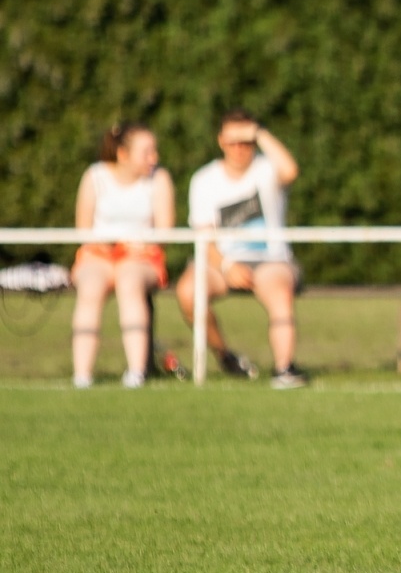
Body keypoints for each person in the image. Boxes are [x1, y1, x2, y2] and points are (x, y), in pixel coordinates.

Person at [177, 109, 309, 389]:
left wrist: (259, 132)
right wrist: (227, 266)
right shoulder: (204, 180)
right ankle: (224, 356)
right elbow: (205, 240)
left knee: (278, 290)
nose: (239, 149)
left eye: (246, 142)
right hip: (222, 262)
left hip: (270, 259)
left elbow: (291, 170)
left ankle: (284, 367)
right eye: (233, 141)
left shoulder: (267, 169)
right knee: (189, 292)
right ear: (220, 142)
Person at [70, 123, 175, 388]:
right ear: (122, 154)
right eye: (147, 151)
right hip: (98, 255)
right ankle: (82, 375)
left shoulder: (160, 179)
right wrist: (105, 246)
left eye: (154, 150)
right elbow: (84, 231)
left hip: (142, 257)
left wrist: (135, 247)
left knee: (129, 281)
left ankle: (136, 372)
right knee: (91, 286)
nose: (155, 158)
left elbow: (164, 232)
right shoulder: (94, 176)